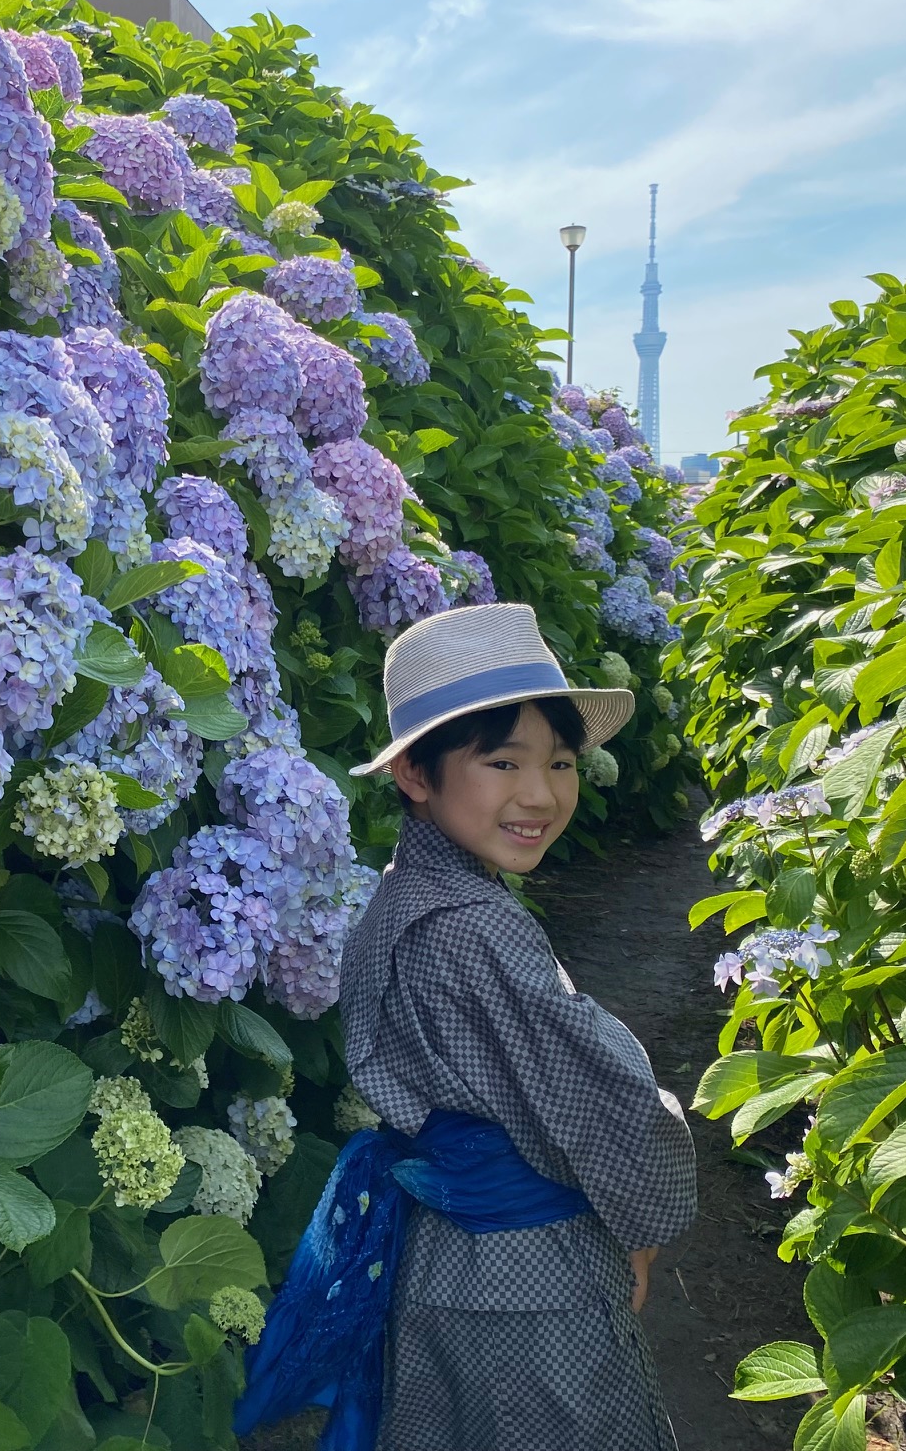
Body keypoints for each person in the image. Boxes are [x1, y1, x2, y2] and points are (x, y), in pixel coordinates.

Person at [236, 601, 696, 1451]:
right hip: (529, 1273)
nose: (541, 793)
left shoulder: (407, 895)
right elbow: (600, 1091)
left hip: (452, 1254)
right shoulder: (467, 925)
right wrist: (642, 1219)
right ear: (415, 772)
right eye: (501, 761)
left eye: (560, 761)